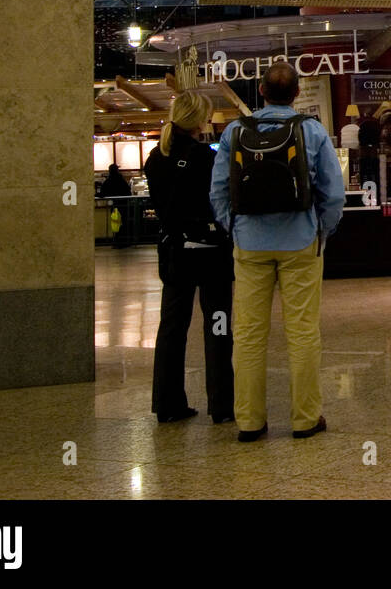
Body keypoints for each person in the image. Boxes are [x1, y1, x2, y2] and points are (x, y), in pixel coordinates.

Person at [210, 61, 346, 443]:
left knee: (249, 335)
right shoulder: (312, 130)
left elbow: (218, 190)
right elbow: (333, 195)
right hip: (300, 242)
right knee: (303, 332)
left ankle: (249, 422)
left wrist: (233, 228)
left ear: (262, 92)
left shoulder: (235, 131)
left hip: (250, 244)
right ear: (297, 93)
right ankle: (305, 419)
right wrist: (321, 230)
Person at [143, 92, 234, 425]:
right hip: (211, 253)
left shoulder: (155, 158)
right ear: (199, 120)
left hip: (174, 253)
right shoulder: (207, 158)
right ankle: (222, 405)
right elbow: (221, 201)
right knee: (218, 326)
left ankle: (167, 403)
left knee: (172, 328)